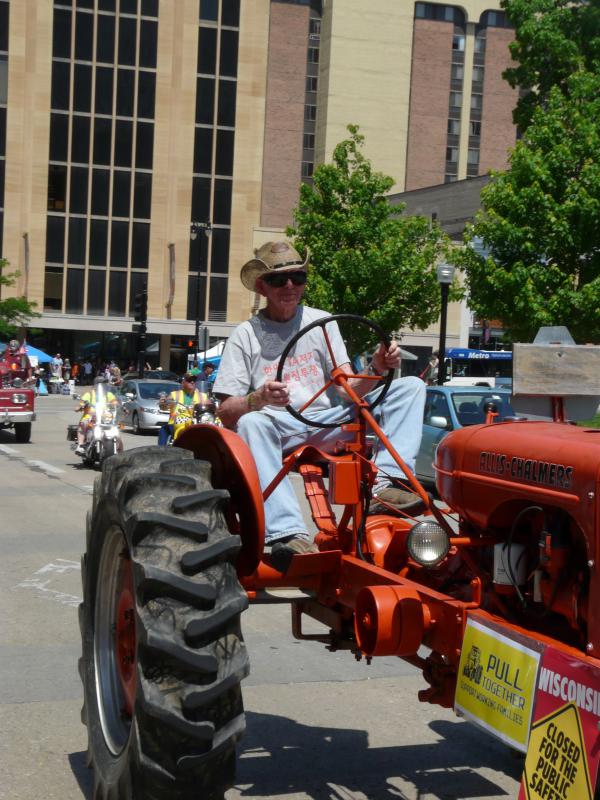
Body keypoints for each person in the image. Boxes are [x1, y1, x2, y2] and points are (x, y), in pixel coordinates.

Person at [213, 240, 426, 571]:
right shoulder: (246, 334)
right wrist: (259, 398)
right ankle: (286, 533)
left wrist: (377, 367)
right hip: (277, 428)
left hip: (329, 423)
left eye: (297, 278)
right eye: (278, 279)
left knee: (410, 387)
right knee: (251, 422)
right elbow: (225, 411)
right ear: (261, 286)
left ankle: (387, 484)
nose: (289, 286)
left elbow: (347, 388)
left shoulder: (323, 321)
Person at [74, 376, 118, 455]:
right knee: (83, 424)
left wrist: (119, 405)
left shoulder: (108, 394)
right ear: (97, 385)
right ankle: (80, 445)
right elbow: (81, 403)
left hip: (105, 416)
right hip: (90, 417)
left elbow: (115, 402)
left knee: (116, 431)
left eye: (105, 383)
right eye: (103, 383)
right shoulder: (89, 394)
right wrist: (81, 406)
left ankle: (120, 450)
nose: (104, 385)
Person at [157, 372, 203, 445]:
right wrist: (163, 403)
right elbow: (164, 407)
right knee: (163, 430)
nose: (192, 382)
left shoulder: (202, 396)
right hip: (175, 424)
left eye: (194, 380)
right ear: (183, 382)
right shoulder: (175, 394)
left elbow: (210, 408)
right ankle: (161, 452)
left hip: (195, 424)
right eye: (189, 380)